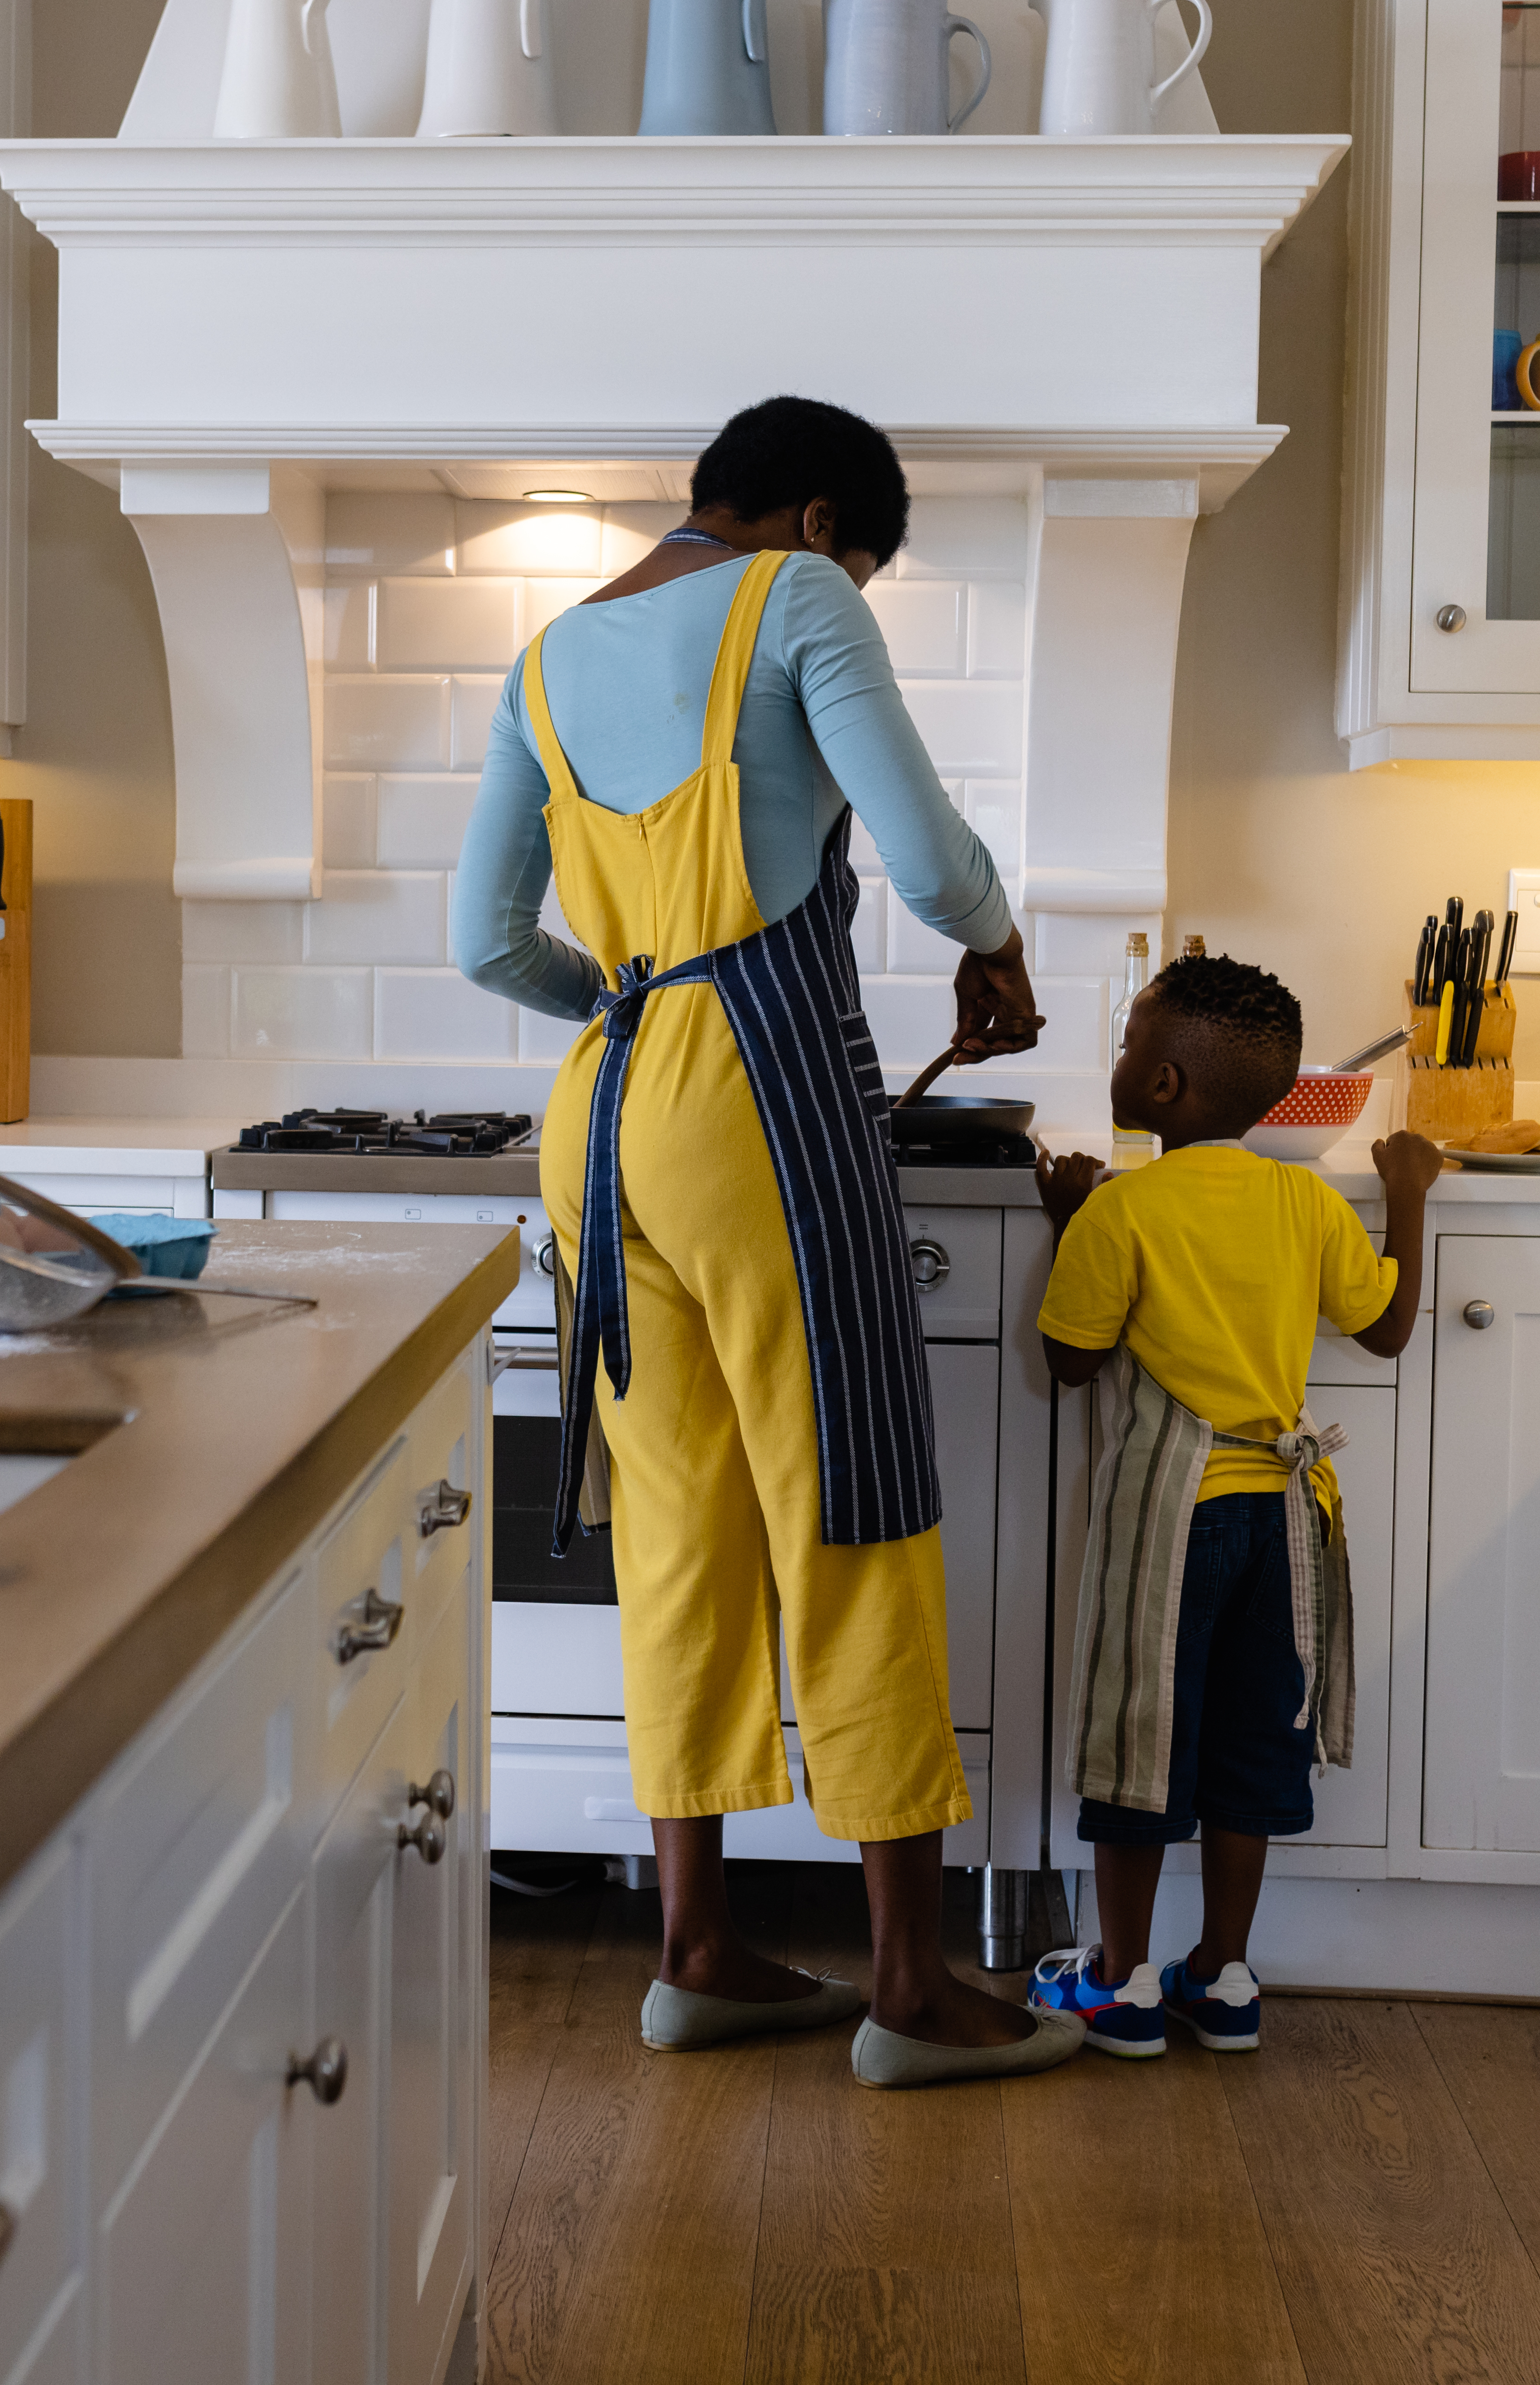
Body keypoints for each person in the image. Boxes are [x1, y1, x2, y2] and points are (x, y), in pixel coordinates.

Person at [450, 395, 1081, 2089]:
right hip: (757, 1101)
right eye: (863, 559)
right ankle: (906, 1983)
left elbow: (481, 940)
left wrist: (633, 1006)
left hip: (603, 1109)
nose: (854, 581)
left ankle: (698, 1950)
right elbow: (937, 857)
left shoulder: (543, 660)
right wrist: (1002, 947)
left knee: (679, 1524)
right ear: (818, 521)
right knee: (853, 1496)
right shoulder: (798, 598)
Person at [1024, 952, 1443, 2056]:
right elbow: (1388, 1327)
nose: (1116, 1059)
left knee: (1141, 1738)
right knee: (1255, 1744)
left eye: (1125, 1045)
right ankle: (1224, 1972)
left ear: (1161, 1087)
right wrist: (1405, 1192)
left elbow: (1070, 1360)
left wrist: (1067, 1216)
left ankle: (1117, 1980)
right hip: (1290, 1526)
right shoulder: (1304, 1198)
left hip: (1173, 1518)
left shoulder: (1123, 1209)